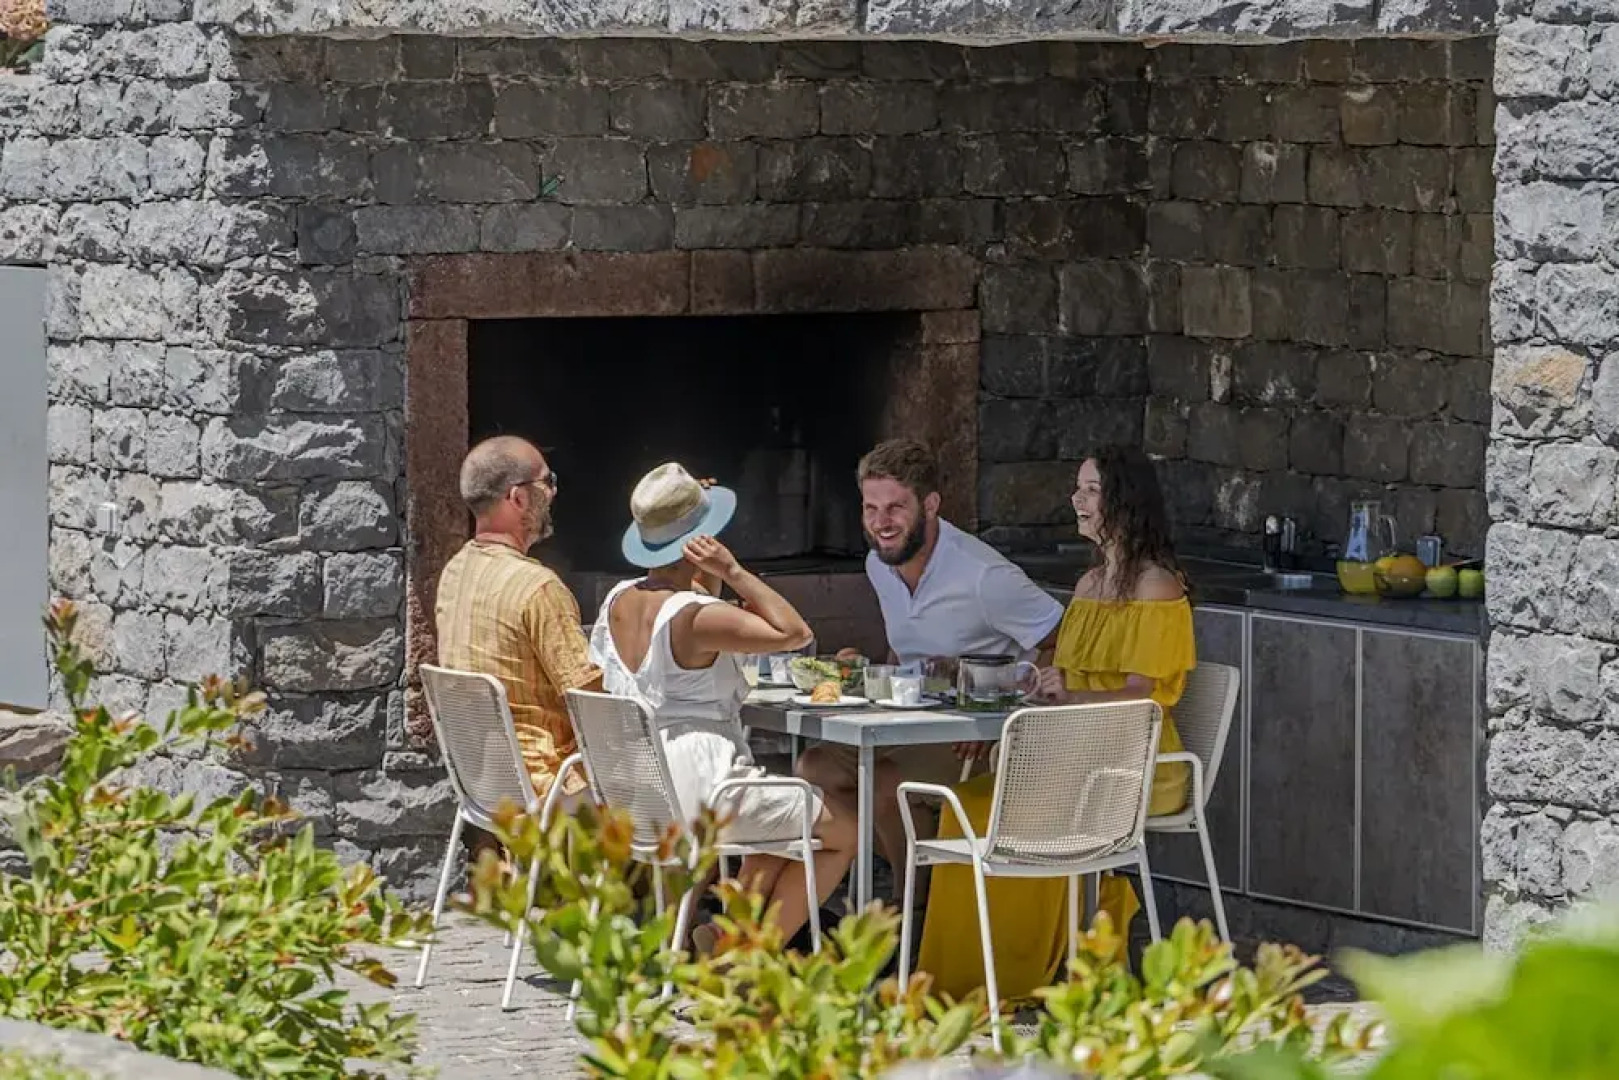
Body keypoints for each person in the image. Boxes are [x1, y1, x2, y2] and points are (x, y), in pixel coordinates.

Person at [916, 446, 1196, 1002]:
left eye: (1091, 490)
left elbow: (1145, 696)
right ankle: (962, 980)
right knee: (962, 803)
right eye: (1079, 487)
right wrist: (1037, 682)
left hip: (1128, 761)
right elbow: (1063, 670)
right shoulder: (1091, 586)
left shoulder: (1157, 587)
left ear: (1124, 501)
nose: (1078, 499)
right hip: (1068, 753)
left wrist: (1070, 694)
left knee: (992, 808)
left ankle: (1020, 973)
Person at [591, 462, 857, 949]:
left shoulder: (618, 601)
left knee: (788, 822)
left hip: (645, 784)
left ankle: (719, 935)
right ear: (701, 540)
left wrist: (700, 544)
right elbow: (795, 634)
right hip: (704, 787)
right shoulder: (696, 617)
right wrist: (733, 571)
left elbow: (693, 622)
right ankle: (743, 957)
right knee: (844, 827)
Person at [796, 438, 1064, 900]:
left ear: (932, 504)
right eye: (871, 508)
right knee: (812, 765)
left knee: (882, 779)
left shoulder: (983, 576)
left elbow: (1061, 640)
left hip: (976, 738)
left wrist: (994, 714)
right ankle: (846, 895)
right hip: (910, 722)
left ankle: (904, 907)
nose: (881, 523)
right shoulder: (880, 565)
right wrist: (866, 672)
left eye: (896, 508)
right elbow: (906, 653)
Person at [435, 436, 603, 864]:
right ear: (518, 497)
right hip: (547, 787)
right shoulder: (539, 588)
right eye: (548, 483)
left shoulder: (455, 572)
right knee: (678, 790)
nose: (555, 492)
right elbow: (593, 704)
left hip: (484, 784)